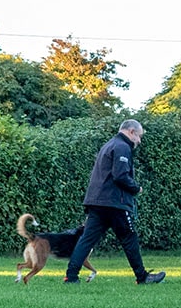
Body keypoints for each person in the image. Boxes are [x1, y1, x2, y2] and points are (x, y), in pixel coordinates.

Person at [64, 119, 166, 285]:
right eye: (139, 136)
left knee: (87, 239)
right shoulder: (122, 147)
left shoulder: (109, 145)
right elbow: (120, 176)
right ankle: (142, 277)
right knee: (129, 237)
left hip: (96, 201)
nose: (139, 141)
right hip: (114, 202)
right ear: (131, 132)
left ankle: (71, 276)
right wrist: (136, 188)